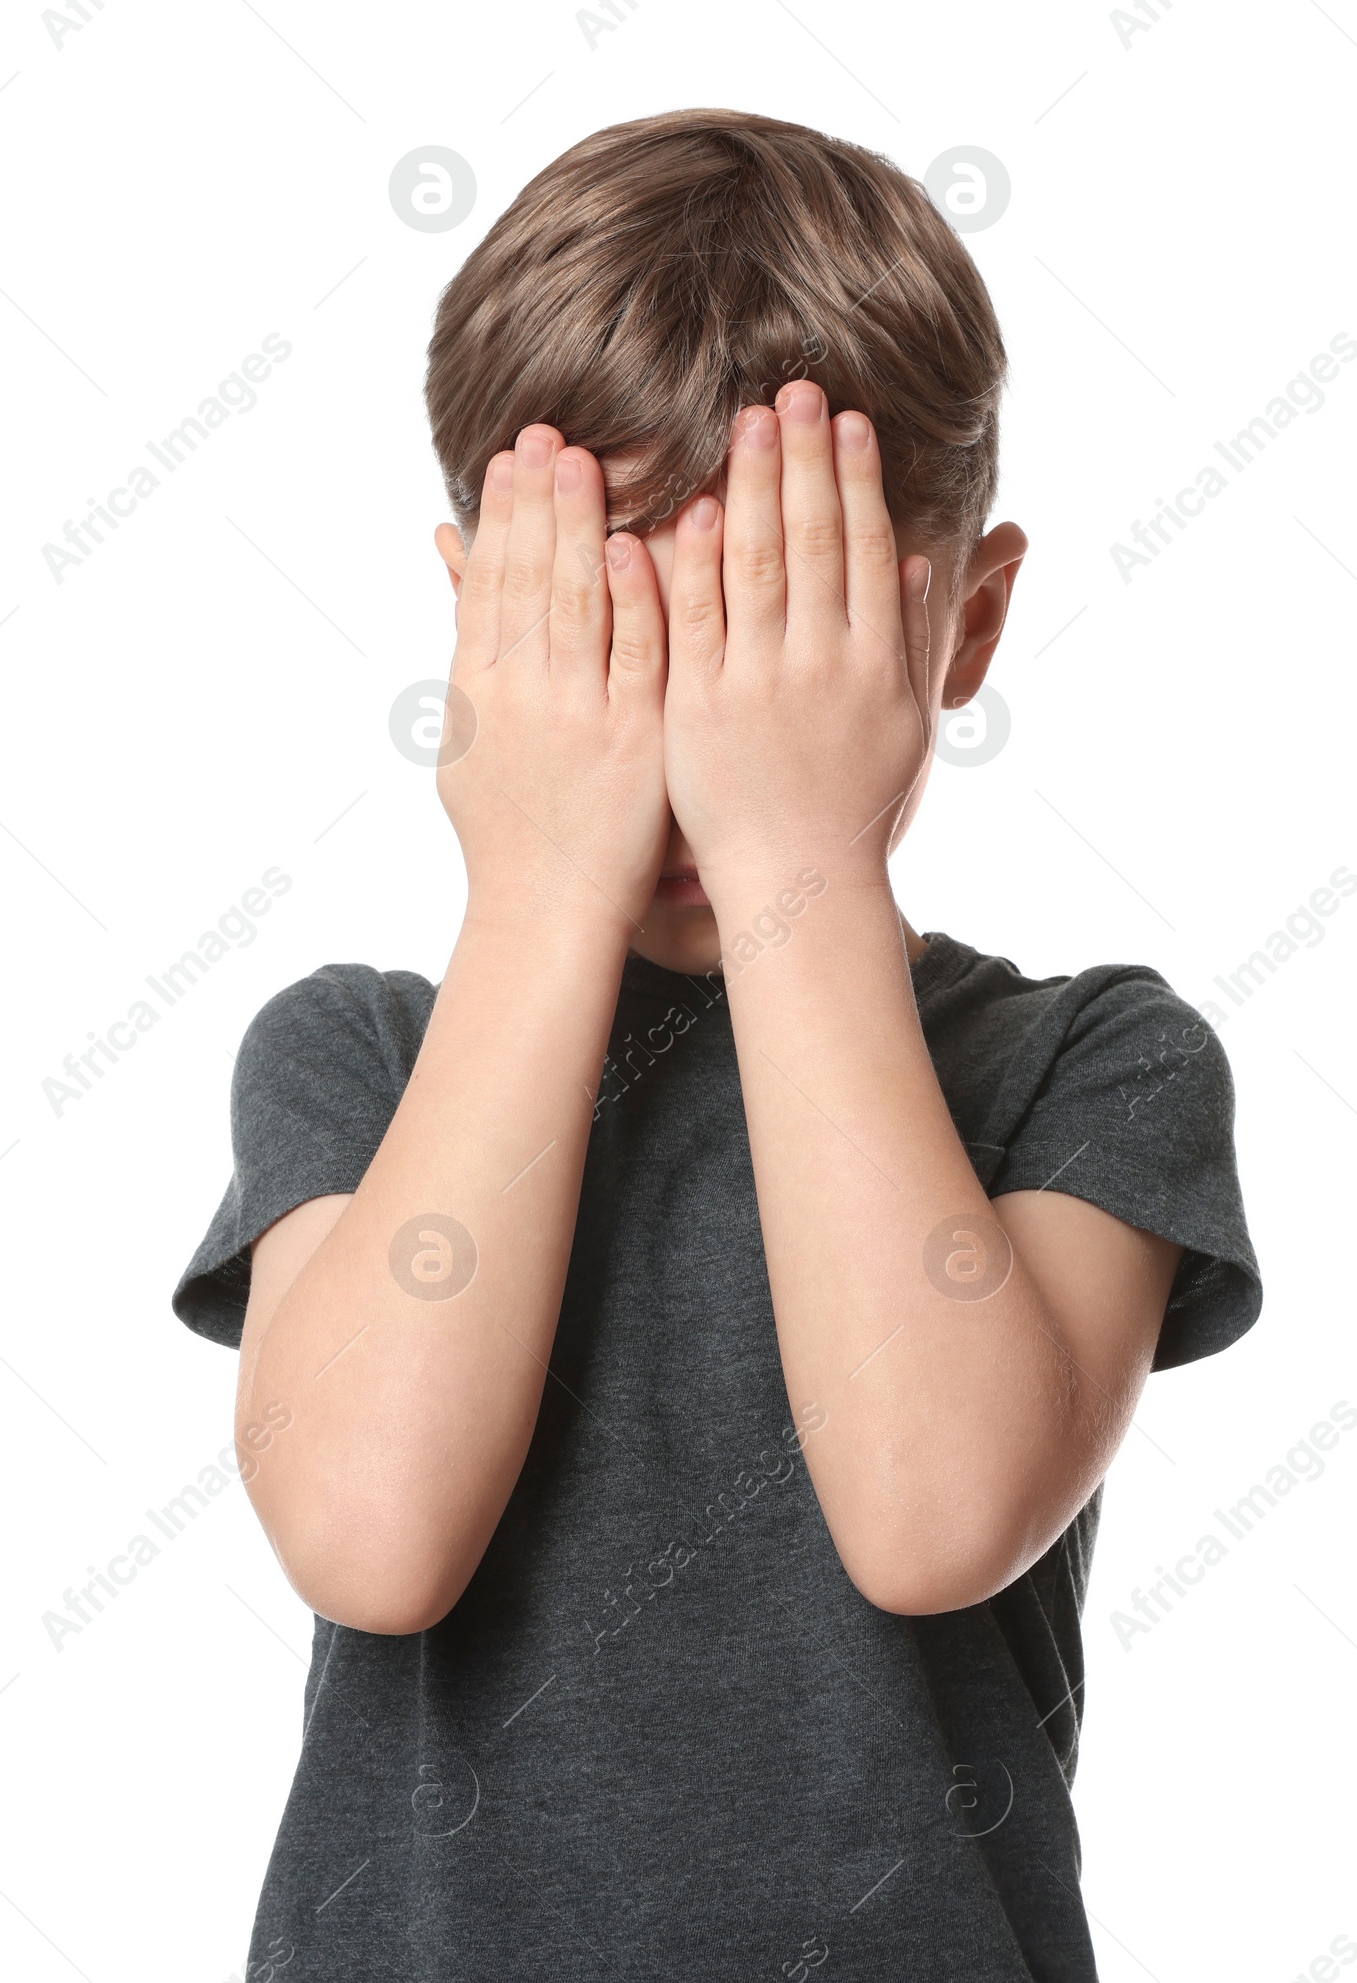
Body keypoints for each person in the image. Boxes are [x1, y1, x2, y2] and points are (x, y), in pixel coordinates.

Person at [173, 106, 1261, 1982]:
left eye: (779, 641)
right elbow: (370, 1531)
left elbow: (934, 1512)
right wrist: (535, 889)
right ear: (483, 628)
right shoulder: (354, 1059)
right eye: (612, 631)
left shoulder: (1092, 1067)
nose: (694, 732)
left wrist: (795, 857)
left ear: (966, 622)